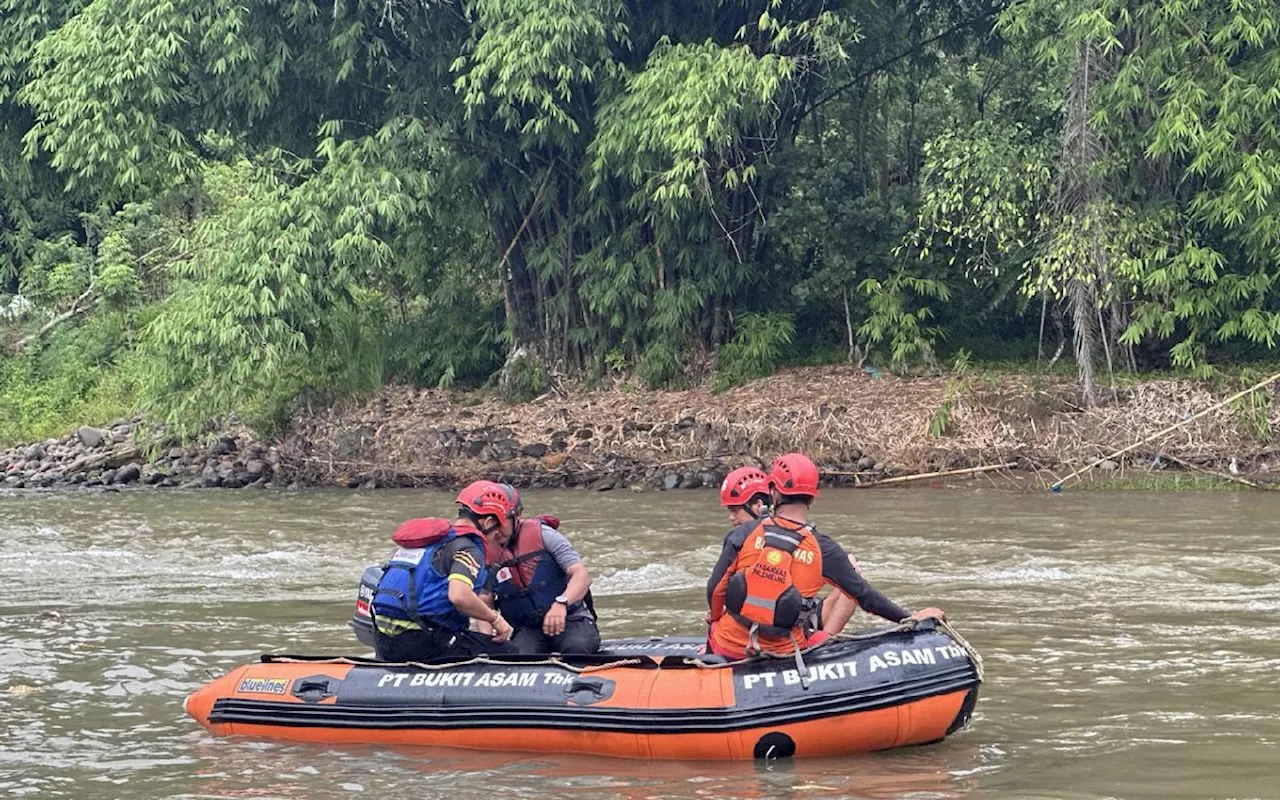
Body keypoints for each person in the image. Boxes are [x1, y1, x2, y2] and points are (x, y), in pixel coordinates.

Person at [706, 453, 945, 660]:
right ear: (811, 497)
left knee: (722, 624)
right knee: (829, 617)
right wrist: (910, 619)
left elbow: (715, 590)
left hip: (727, 646)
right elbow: (866, 597)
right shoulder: (824, 548)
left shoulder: (743, 534)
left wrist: (715, 620)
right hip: (784, 651)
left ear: (773, 492)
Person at [369, 480, 519, 662]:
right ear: (487, 522)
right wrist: (496, 620)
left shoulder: (430, 542)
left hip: (383, 640)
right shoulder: (468, 548)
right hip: (423, 642)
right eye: (497, 528)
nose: (497, 535)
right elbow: (459, 596)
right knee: (508, 651)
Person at [486, 484, 601, 655]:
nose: (496, 531)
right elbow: (484, 599)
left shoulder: (546, 536)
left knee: (576, 648)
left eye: (501, 522)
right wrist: (486, 639)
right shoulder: (486, 552)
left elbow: (582, 575)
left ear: (517, 515)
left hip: (570, 619)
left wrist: (561, 603)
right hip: (528, 629)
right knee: (518, 657)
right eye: (490, 524)